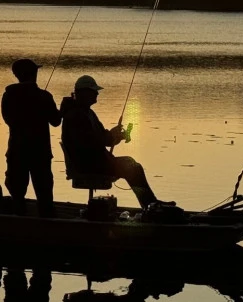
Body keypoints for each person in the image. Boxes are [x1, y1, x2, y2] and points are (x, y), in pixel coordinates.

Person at [60, 75, 172, 210]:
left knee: (131, 163)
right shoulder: (75, 115)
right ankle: (150, 205)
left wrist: (117, 136)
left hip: (94, 161)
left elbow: (102, 138)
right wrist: (111, 135)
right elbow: (90, 143)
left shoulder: (87, 112)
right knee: (133, 168)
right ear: (83, 93)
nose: (97, 94)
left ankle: (150, 203)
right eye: (94, 91)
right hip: (88, 165)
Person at [0, 58, 62, 217]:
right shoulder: (44, 96)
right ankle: (48, 223)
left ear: (16, 75)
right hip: (40, 152)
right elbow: (56, 121)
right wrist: (62, 109)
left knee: (17, 194)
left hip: (16, 151)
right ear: (34, 74)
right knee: (44, 193)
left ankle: (19, 221)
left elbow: (8, 120)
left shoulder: (7, 96)